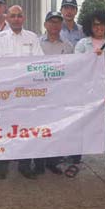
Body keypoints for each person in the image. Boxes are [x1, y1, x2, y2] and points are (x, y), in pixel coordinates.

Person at [0, 5, 44, 179]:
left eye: (19, 16)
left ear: (23, 18)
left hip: (27, 93)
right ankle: (2, 164)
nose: (16, 19)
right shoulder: (0, 38)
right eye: (13, 16)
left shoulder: (32, 37)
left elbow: (39, 63)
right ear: (7, 18)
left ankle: (24, 164)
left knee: (26, 129)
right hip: (7, 93)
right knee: (5, 128)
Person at [75, 10, 105, 182]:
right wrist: (90, 58)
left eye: (102, 24)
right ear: (90, 26)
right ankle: (75, 161)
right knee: (81, 130)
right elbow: (76, 68)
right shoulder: (82, 44)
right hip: (86, 97)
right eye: (95, 24)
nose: (99, 27)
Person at [35, 10, 74, 176]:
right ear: (45, 24)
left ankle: (53, 162)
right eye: (51, 22)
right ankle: (38, 163)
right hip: (39, 94)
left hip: (59, 95)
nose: (54, 25)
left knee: (55, 129)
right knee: (38, 129)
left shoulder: (68, 46)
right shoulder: (36, 44)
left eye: (58, 22)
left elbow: (73, 71)